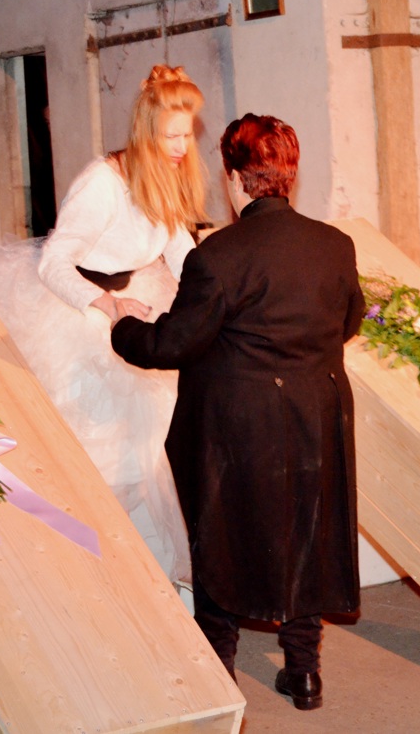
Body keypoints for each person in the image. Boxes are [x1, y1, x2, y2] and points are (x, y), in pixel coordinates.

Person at [109, 113, 365, 710]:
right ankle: (304, 674)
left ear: (232, 176)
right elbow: (347, 322)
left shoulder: (218, 255)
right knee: (307, 531)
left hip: (238, 424)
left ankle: (219, 675)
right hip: (316, 413)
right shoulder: (335, 244)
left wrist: (123, 323)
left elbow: (173, 344)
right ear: (288, 174)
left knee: (220, 537)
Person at [0, 65, 206, 587]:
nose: (180, 147)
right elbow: (53, 261)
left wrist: (220, 293)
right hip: (79, 304)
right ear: (146, 132)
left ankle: (142, 568)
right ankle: (76, 566)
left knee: (157, 433)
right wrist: (105, 305)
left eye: (187, 136)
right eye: (171, 137)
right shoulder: (102, 182)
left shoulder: (167, 175)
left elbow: (181, 254)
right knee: (92, 443)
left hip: (136, 296)